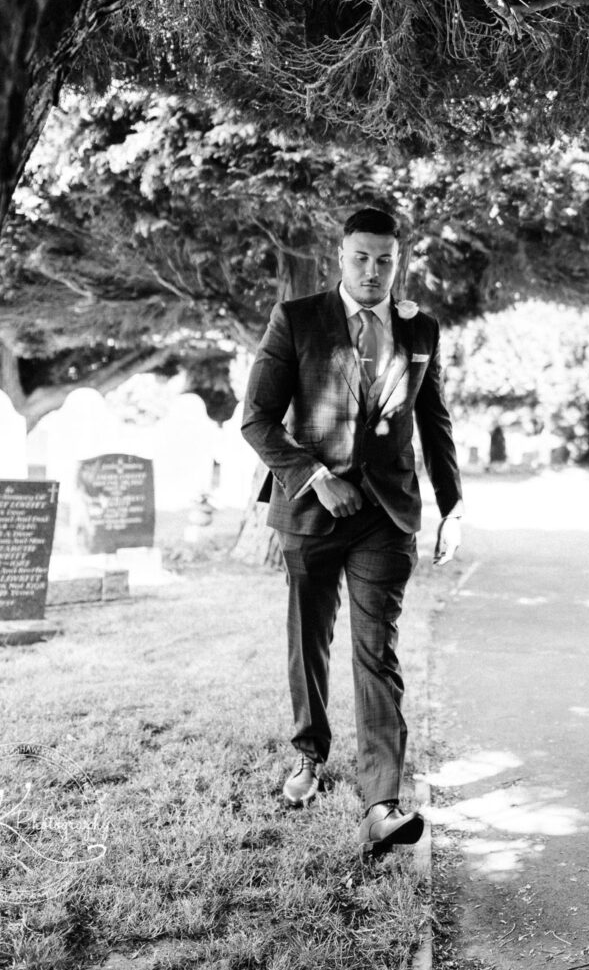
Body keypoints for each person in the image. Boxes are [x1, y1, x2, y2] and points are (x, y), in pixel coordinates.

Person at [241, 207, 463, 855]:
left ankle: (382, 803)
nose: (373, 271)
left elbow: (436, 419)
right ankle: (310, 754)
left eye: (385, 260)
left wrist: (454, 504)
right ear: (341, 256)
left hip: (386, 516)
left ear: (399, 261)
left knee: (377, 651)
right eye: (361, 257)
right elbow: (257, 420)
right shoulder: (298, 319)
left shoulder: (421, 328)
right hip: (311, 508)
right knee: (309, 640)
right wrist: (314, 474)